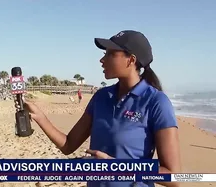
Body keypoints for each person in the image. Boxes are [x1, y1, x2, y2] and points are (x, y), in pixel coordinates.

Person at [15, 30, 181, 187]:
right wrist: (40, 117)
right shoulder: (101, 97)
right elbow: (68, 145)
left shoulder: (156, 102)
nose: (102, 60)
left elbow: (173, 176)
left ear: (131, 60)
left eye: (110, 54)